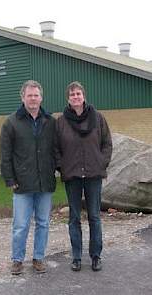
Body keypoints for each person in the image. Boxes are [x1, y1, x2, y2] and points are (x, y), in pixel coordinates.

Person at [0, 80, 57, 275]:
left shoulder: (50, 122)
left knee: (43, 223)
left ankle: (38, 258)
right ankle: (17, 260)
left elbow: (56, 150)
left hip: (45, 183)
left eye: (36, 95)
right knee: (20, 225)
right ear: (22, 97)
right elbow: (5, 154)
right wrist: (9, 179)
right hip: (22, 183)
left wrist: (56, 169)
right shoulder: (11, 122)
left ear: (41, 98)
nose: (33, 98)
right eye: (29, 95)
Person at [56, 81, 112, 272]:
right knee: (74, 217)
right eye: (72, 95)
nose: (76, 97)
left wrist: (101, 163)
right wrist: (61, 167)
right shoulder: (61, 122)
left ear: (84, 96)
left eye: (78, 94)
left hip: (93, 175)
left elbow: (107, 144)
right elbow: (55, 149)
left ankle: (96, 256)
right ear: (68, 99)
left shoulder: (98, 118)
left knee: (94, 216)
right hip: (72, 175)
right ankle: (76, 257)